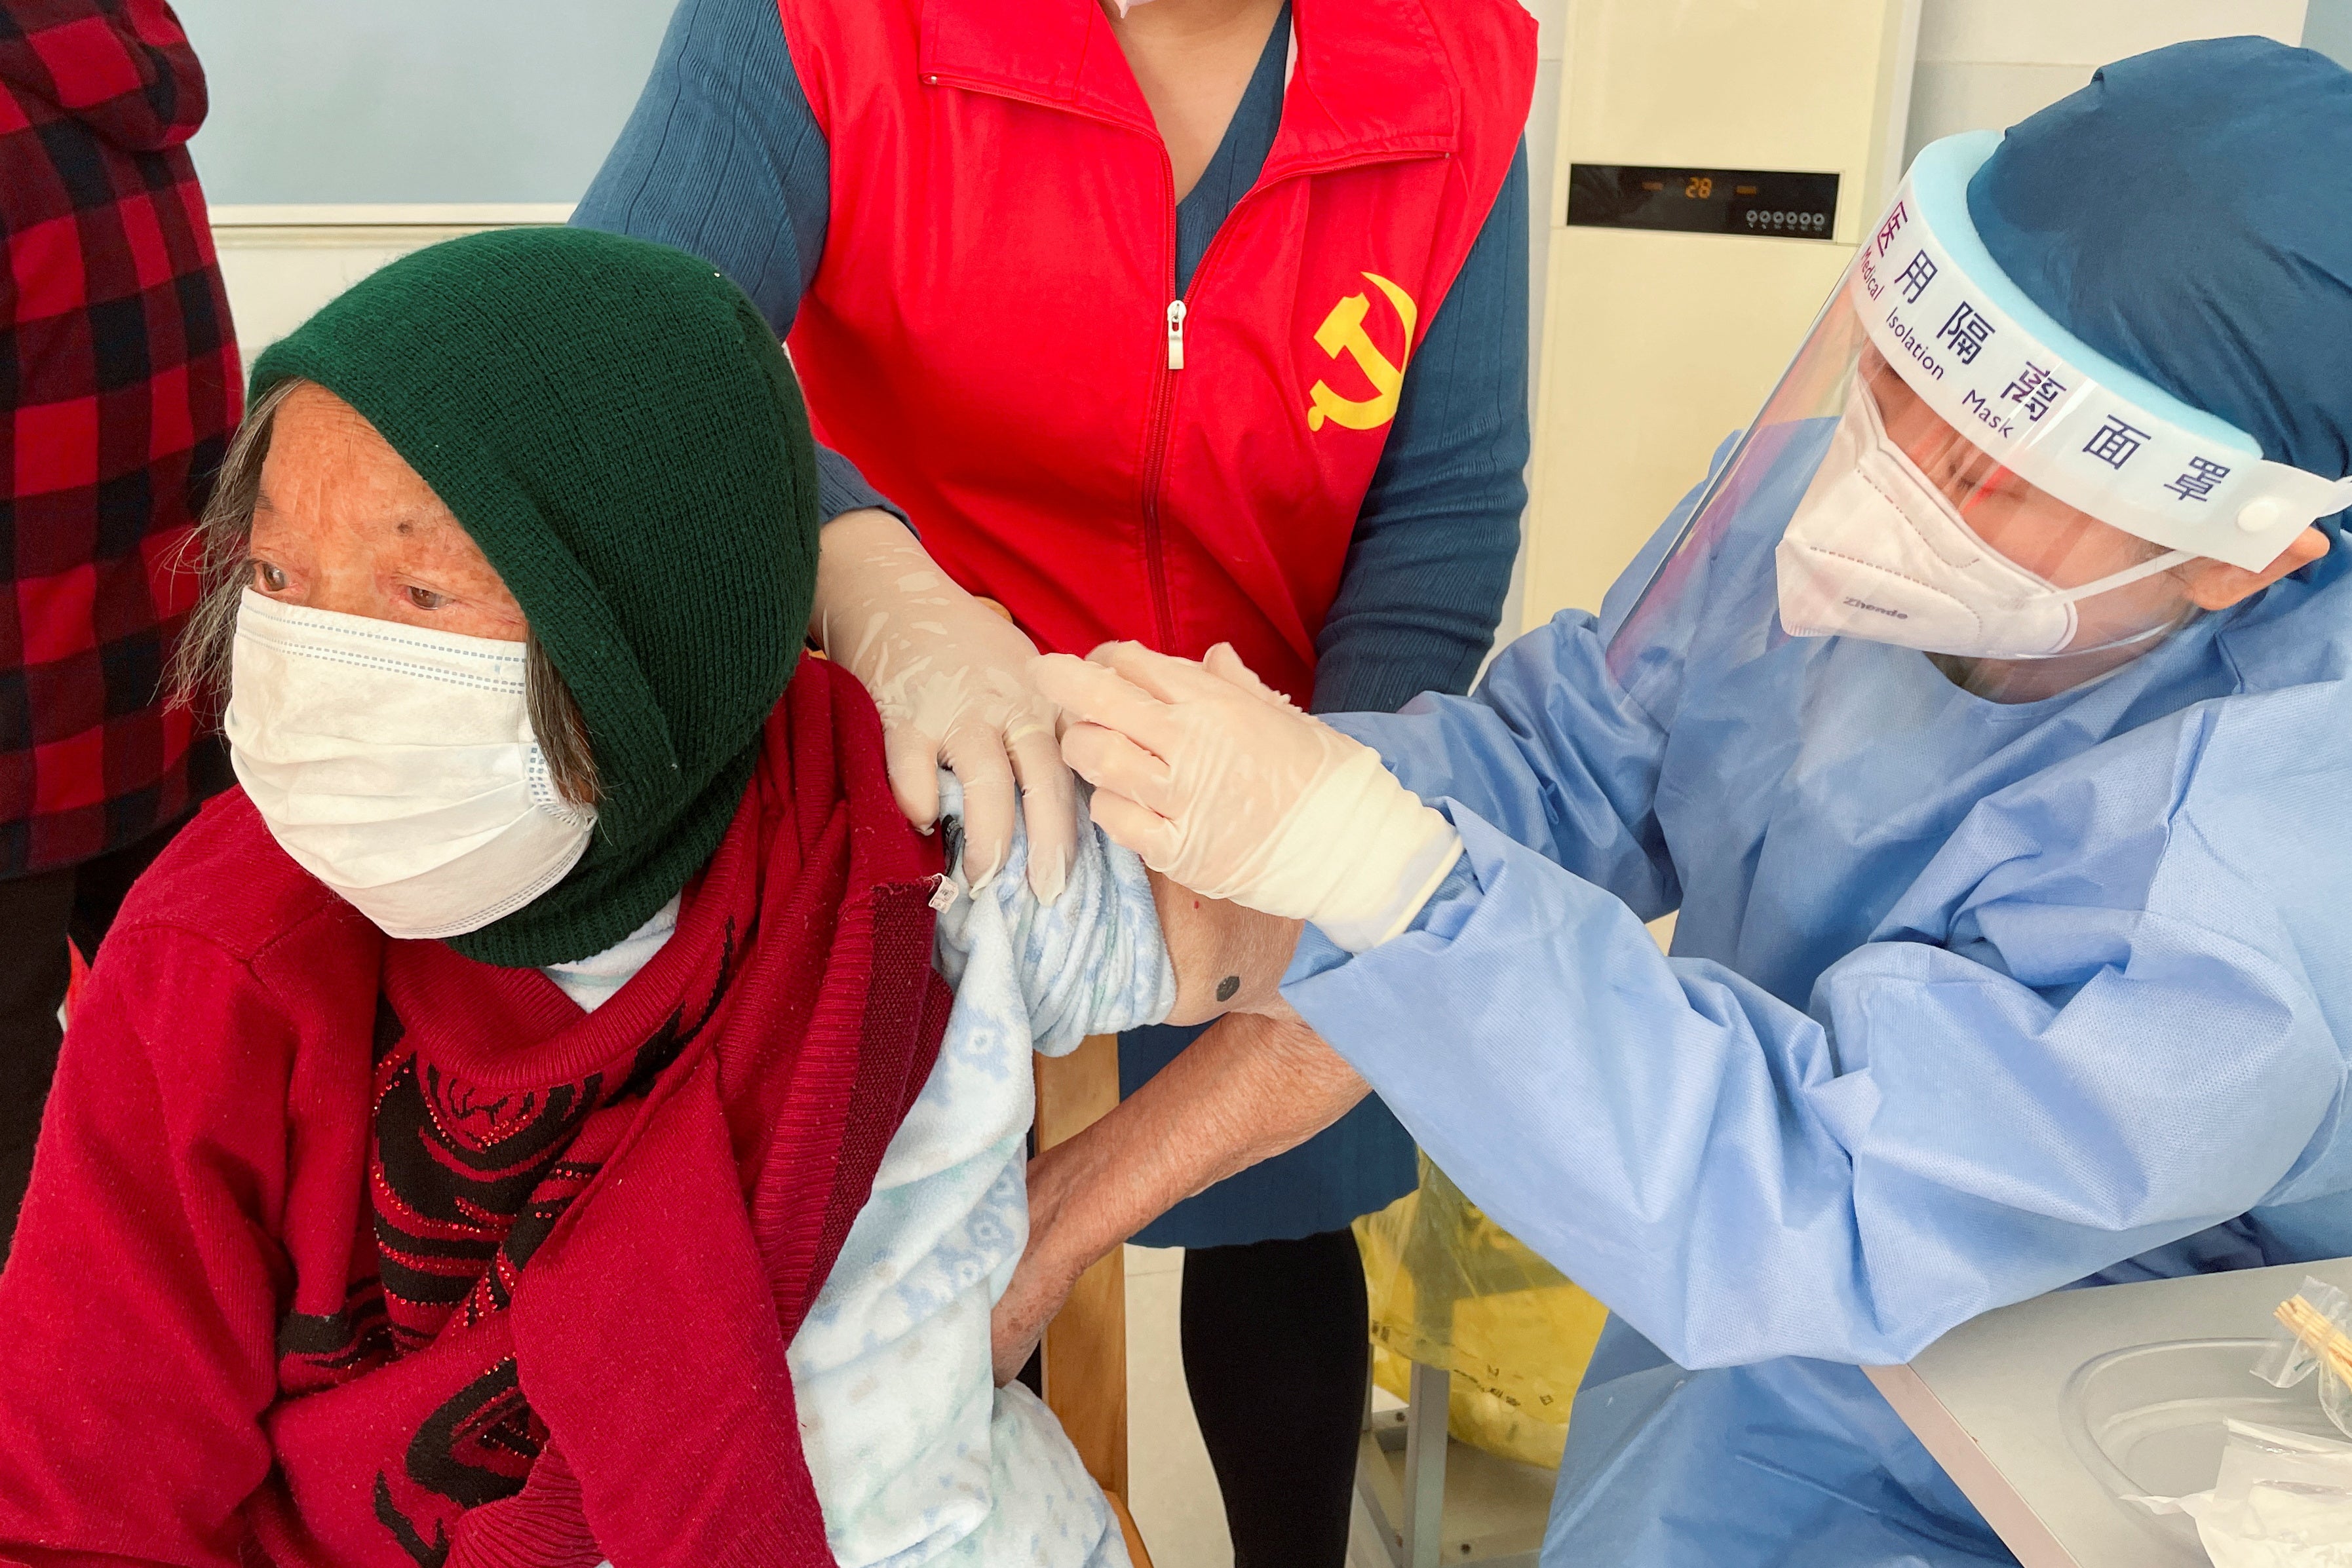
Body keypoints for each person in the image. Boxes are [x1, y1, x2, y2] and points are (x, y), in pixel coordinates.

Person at [1031, 38, 2352, 1567]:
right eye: (1895, 374)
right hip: (1738, 1366)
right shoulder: (1829, 517)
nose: (1889, 480)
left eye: (1990, 468)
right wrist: (1225, 811)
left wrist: (1362, 864)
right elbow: (1564, 757)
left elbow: (1825, 1198)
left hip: (2090, 1447)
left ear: (2244, 555)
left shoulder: (2264, 865)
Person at [0, 227, 1304, 1567]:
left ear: (645, 617)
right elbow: (77, 1515)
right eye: (276, 577)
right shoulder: (214, 965)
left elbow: (1389, 941)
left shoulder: (911, 824)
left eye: (421, 588)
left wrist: (1058, 1231)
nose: (321, 662)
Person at [572, 0, 1537, 1557]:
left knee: (1279, 1218)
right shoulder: (819, 25)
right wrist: (870, 578)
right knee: (900, 1284)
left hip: (1245, 766)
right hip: (922, 777)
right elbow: (627, 337)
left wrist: (1330, 811)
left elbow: (1438, 517)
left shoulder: (1453, 63)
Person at [0, 0, 241, 1255]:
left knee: (28, 1181)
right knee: (198, 1070)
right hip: (156, 697)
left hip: (17, 746)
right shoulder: (102, 64)